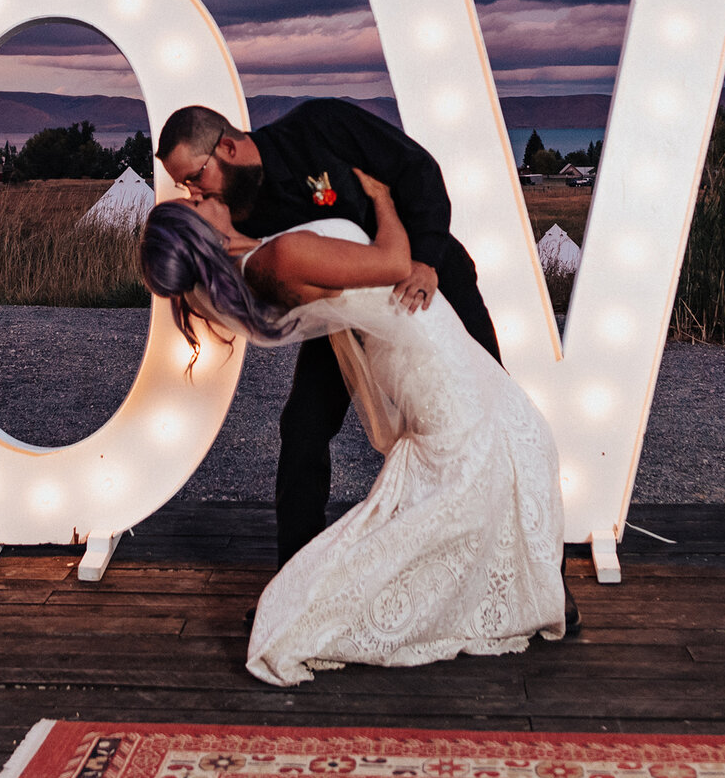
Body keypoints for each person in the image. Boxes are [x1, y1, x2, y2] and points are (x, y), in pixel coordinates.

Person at [139, 171, 568, 686]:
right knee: (313, 428)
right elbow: (358, 261)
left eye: (194, 183)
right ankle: (301, 587)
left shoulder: (269, 193)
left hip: (422, 293)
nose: (192, 190)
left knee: (503, 435)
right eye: (190, 196)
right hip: (372, 307)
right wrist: (377, 202)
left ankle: (540, 575)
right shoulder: (259, 241)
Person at [157, 101, 499, 565]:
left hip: (430, 284)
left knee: (494, 409)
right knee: (303, 428)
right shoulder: (227, 216)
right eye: (186, 187)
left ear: (229, 148)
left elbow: (417, 169)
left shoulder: (320, 126)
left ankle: (522, 559)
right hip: (344, 317)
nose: (193, 191)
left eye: (195, 177)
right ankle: (296, 574)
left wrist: (427, 257)